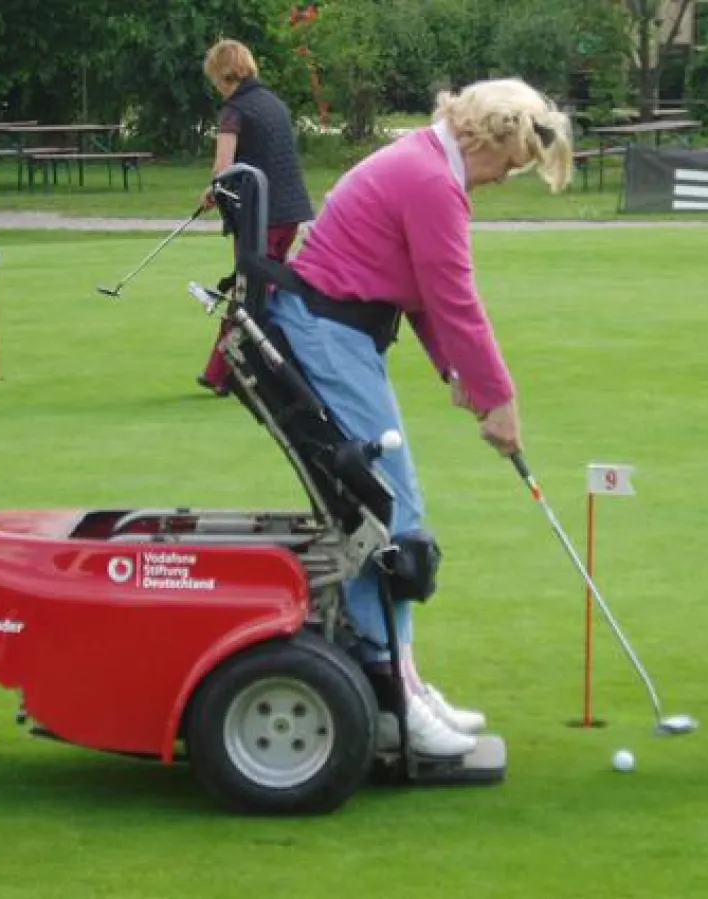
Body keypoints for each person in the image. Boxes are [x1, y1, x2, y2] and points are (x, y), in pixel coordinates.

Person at [261, 77, 573, 757]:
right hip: (326, 331)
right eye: (510, 162)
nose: (504, 178)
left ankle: (401, 674)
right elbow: (454, 295)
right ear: (484, 141)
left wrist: (461, 376)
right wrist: (501, 399)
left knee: (390, 508)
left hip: (339, 331)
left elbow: (422, 296)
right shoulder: (432, 180)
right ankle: (387, 683)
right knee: (389, 511)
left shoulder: (426, 164)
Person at [198, 38, 314, 396]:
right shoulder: (273, 103)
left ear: (220, 74)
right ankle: (247, 369)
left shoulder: (234, 111)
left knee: (248, 293)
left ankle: (223, 371)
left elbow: (223, 168)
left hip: (259, 217)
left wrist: (212, 192)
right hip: (289, 212)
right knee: (263, 291)